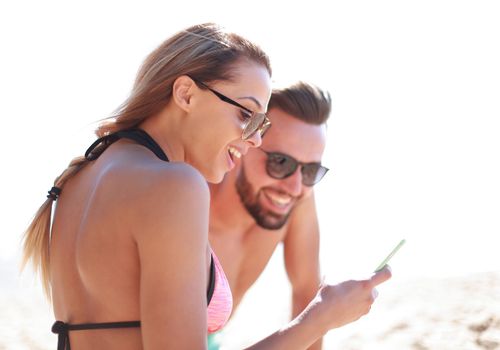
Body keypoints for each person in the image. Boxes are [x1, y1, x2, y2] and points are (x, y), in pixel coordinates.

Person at [22, 23, 390, 350]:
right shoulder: (175, 185)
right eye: (245, 114)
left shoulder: (79, 178)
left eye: (259, 126)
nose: (254, 140)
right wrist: (320, 319)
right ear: (185, 94)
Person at [207, 82, 383, 349]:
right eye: (280, 162)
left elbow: (306, 294)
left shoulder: (295, 200)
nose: (295, 187)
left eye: (310, 171)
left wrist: (318, 319)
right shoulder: (189, 202)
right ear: (244, 142)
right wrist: (319, 320)